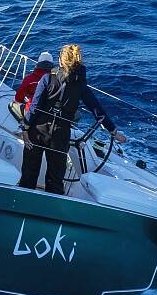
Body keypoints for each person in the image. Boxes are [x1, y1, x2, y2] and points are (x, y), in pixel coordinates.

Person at [19, 44, 127, 196]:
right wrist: (114, 132)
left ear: (61, 61)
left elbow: (35, 107)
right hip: (60, 135)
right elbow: (98, 111)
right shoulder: (81, 86)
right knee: (55, 180)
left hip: (37, 131)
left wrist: (25, 128)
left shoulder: (47, 78)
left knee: (28, 175)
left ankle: (21, 204)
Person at [9, 51, 55, 122]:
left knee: (11, 105)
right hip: (49, 113)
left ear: (39, 64)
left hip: (32, 112)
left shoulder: (29, 79)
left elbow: (18, 98)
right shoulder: (55, 80)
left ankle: (24, 123)